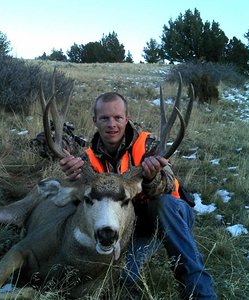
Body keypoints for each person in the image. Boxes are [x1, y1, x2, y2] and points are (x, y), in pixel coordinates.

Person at [59, 92, 217, 299]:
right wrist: (74, 180)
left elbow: (168, 186)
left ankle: (200, 291)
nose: (112, 124)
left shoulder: (149, 145)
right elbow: (83, 207)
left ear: (127, 118)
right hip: (130, 227)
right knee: (124, 275)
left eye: (118, 118)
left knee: (163, 203)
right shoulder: (86, 161)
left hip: (170, 215)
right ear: (95, 121)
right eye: (104, 118)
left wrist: (152, 178)